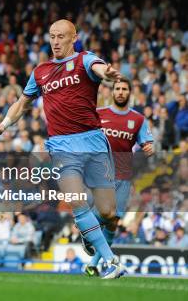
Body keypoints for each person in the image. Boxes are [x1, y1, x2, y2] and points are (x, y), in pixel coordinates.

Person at [0, 19, 125, 279]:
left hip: (93, 141)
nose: (55, 41)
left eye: (61, 36)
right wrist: (3, 124)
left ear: (73, 38)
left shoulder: (85, 59)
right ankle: (111, 262)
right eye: (52, 36)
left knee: (107, 212)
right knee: (77, 202)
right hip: (62, 145)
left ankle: (90, 231)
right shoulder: (40, 71)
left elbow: (99, 69)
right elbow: (22, 104)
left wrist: (107, 75)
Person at [84, 77, 154, 276]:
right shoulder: (100, 114)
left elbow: (146, 142)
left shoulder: (138, 119)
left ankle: (93, 264)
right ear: (113, 92)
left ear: (129, 93)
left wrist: (148, 147)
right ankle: (86, 232)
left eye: (124, 89)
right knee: (105, 214)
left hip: (124, 176)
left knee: (113, 220)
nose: (121, 92)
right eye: (118, 89)